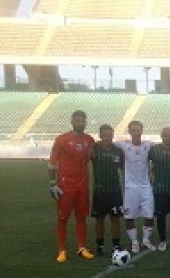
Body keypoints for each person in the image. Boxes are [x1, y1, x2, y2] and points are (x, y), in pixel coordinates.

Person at [48, 110, 95, 262]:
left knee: (81, 217)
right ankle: (62, 250)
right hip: (65, 185)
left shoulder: (90, 140)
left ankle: (81, 248)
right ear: (72, 122)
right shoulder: (62, 139)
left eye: (82, 120)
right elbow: (52, 163)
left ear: (85, 122)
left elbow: (91, 157)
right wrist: (52, 184)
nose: (80, 123)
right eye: (77, 120)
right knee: (63, 218)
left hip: (82, 185)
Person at [115, 120, 157, 253]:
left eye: (138, 130)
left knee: (149, 215)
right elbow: (107, 143)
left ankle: (145, 240)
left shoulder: (148, 145)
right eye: (133, 130)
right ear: (129, 132)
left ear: (142, 131)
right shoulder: (123, 145)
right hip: (130, 188)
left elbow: (165, 145)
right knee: (129, 217)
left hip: (145, 186)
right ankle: (134, 242)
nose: (136, 133)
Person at [90, 124, 124, 256]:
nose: (107, 138)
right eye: (104, 135)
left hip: (115, 190)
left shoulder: (118, 151)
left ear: (113, 135)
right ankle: (100, 245)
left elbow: (123, 168)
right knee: (99, 219)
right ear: (100, 136)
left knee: (115, 219)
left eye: (109, 135)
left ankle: (116, 244)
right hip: (100, 191)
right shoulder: (94, 149)